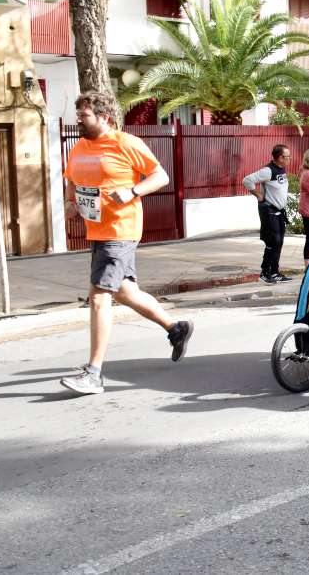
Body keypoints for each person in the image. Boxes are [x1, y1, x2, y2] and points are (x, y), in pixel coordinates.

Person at [59, 91, 193, 396]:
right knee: (125, 291)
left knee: (99, 296)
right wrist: (70, 202)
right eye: (78, 115)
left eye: (85, 115)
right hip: (97, 229)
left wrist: (133, 191)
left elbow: (160, 177)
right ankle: (176, 329)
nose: (79, 119)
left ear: (104, 117)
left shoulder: (125, 143)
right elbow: (72, 179)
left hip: (120, 229)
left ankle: (93, 373)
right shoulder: (79, 147)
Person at [243, 144, 293, 284]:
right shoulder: (268, 170)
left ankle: (275, 272)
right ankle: (265, 273)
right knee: (273, 241)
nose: (289, 158)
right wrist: (258, 195)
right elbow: (247, 180)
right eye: (287, 156)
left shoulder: (281, 169)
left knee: (279, 242)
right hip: (269, 210)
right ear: (279, 157)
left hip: (278, 211)